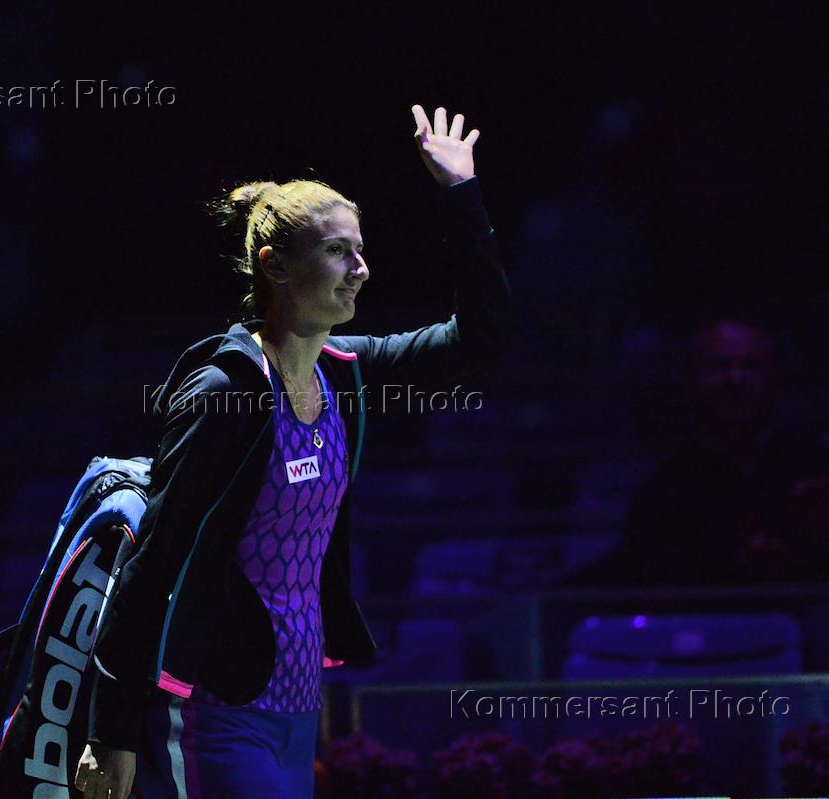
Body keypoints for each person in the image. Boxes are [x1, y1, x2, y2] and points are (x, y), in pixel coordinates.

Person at [73, 104, 515, 799]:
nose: (361, 269)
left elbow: (484, 337)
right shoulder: (225, 394)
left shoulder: (347, 375)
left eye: (360, 250)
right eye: (339, 251)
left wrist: (461, 194)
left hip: (300, 707)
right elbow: (154, 561)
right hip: (216, 708)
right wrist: (112, 730)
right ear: (275, 266)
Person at [621, 311, 829, 585]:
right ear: (692, 381)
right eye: (719, 367)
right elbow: (645, 580)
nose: (735, 379)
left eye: (751, 366)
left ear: (774, 379)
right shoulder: (666, 488)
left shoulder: (819, 469)